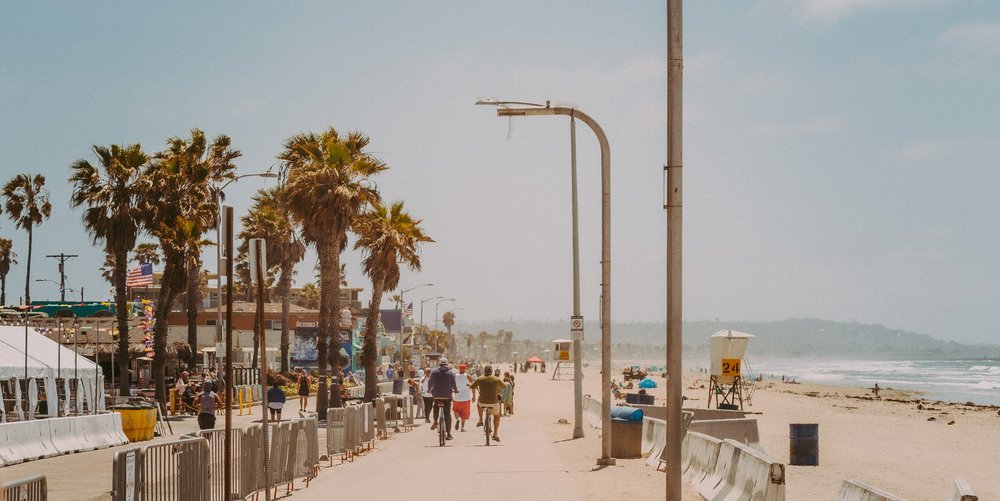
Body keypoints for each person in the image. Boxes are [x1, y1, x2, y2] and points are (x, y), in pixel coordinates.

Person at [470, 365, 506, 442]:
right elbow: (504, 386)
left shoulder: (480, 379)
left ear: (484, 371)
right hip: (494, 403)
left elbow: (472, 386)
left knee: (478, 403)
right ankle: (495, 434)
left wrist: (470, 385)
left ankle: (480, 420)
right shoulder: (496, 379)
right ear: (492, 371)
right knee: (497, 416)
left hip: (482, 403)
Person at [427, 358, 457, 440]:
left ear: (439, 364)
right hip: (447, 396)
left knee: (435, 406)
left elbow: (430, 382)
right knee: (447, 414)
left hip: (436, 395)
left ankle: (435, 420)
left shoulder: (434, 372)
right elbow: (454, 384)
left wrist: (429, 389)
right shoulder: (450, 373)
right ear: (446, 364)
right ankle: (448, 433)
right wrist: (455, 390)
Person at [452, 363, 474, 432]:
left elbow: (451, 385)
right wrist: (474, 396)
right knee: (464, 414)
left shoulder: (455, 375)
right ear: (465, 369)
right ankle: (462, 427)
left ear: (459, 369)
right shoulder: (468, 376)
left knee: (456, 410)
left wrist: (452, 392)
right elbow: (472, 386)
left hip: (457, 397)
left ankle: (457, 419)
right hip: (466, 398)